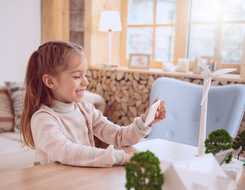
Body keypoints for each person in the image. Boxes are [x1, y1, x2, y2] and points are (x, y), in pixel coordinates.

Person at [20, 41, 166, 167]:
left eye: (85, 74)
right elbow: (65, 152)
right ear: (50, 81)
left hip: (82, 181)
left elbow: (119, 136)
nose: (86, 82)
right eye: (77, 76)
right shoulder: (43, 119)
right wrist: (118, 157)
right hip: (56, 188)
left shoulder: (86, 109)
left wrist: (145, 123)